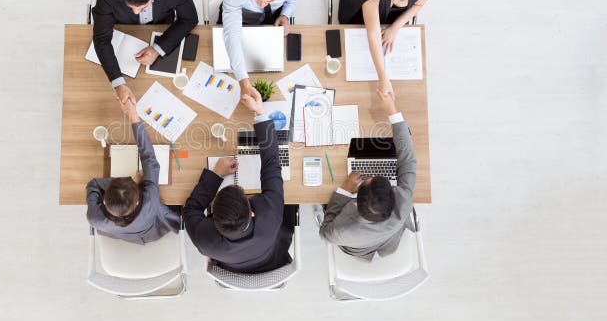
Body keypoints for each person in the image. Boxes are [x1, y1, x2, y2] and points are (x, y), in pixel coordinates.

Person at [182, 92, 296, 273]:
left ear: (212, 218)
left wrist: (216, 175)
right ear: (252, 213)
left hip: (235, 265)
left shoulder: (204, 240)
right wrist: (260, 113)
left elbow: (191, 209)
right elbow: (272, 164)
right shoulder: (270, 217)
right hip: (271, 257)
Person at [318, 88, 416, 259]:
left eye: (368, 181)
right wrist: (392, 111)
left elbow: (324, 231)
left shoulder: (339, 232)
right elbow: (407, 161)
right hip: (388, 241)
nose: (370, 175)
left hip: (358, 249)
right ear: (392, 196)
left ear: (355, 200)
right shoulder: (404, 203)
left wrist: (344, 190)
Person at [92, 0, 199, 105]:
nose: (136, 12)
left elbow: (190, 18)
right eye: (131, 7)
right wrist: (118, 83)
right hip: (125, 30)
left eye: (142, 7)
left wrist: (157, 49)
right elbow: (101, 39)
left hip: (162, 28)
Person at [85, 93, 180, 244]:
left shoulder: (94, 218)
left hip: (121, 236)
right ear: (136, 203)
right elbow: (150, 160)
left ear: (104, 201)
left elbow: (93, 184)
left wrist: (129, 186)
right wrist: (133, 116)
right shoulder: (150, 200)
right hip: (151, 233)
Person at [338, 0, 433, 94]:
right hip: (361, 0)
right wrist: (383, 77)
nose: (394, 1)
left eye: (401, 0)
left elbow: (419, 4)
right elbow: (373, 34)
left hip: (391, 13)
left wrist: (395, 27)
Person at [220, 0, 305, 103]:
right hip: (241, 14)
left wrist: (286, 14)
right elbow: (232, 35)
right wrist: (244, 82)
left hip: (273, 16)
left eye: (269, 0)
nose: (261, 5)